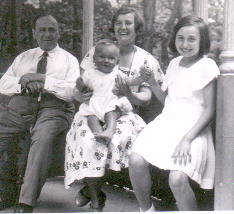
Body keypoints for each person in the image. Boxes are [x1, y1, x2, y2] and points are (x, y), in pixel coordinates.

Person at [64, 5, 164, 212]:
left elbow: (144, 100)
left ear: (137, 28)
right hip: (92, 108)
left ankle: (91, 190)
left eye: (128, 23)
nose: (123, 27)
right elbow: (82, 84)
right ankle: (95, 197)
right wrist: (80, 95)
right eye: (118, 23)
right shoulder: (97, 51)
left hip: (124, 112)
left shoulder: (146, 60)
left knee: (117, 139)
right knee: (87, 138)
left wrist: (127, 92)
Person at [129, 15, 220, 212]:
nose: (185, 44)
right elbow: (167, 102)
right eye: (181, 38)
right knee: (135, 160)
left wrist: (187, 139)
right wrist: (152, 83)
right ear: (174, 39)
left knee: (177, 179)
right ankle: (147, 210)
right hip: (166, 124)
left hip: (194, 130)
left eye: (191, 39)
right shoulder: (174, 63)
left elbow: (210, 109)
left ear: (202, 41)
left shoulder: (207, 66)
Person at [0, 14, 80, 212]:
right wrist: (25, 80)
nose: (47, 34)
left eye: (51, 30)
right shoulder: (24, 57)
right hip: (21, 106)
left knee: (42, 138)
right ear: (34, 33)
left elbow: (72, 91)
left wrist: (44, 80)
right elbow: (3, 84)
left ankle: (25, 202)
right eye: (42, 30)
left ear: (58, 33)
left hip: (56, 108)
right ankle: (7, 190)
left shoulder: (69, 60)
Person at [77, 39, 149, 144]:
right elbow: (81, 84)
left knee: (111, 114)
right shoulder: (89, 73)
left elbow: (132, 81)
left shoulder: (117, 74)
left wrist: (142, 78)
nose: (106, 60)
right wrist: (80, 85)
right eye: (102, 57)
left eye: (111, 58)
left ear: (117, 62)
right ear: (94, 58)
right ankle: (99, 134)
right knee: (91, 118)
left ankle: (109, 132)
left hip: (111, 102)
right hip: (95, 103)